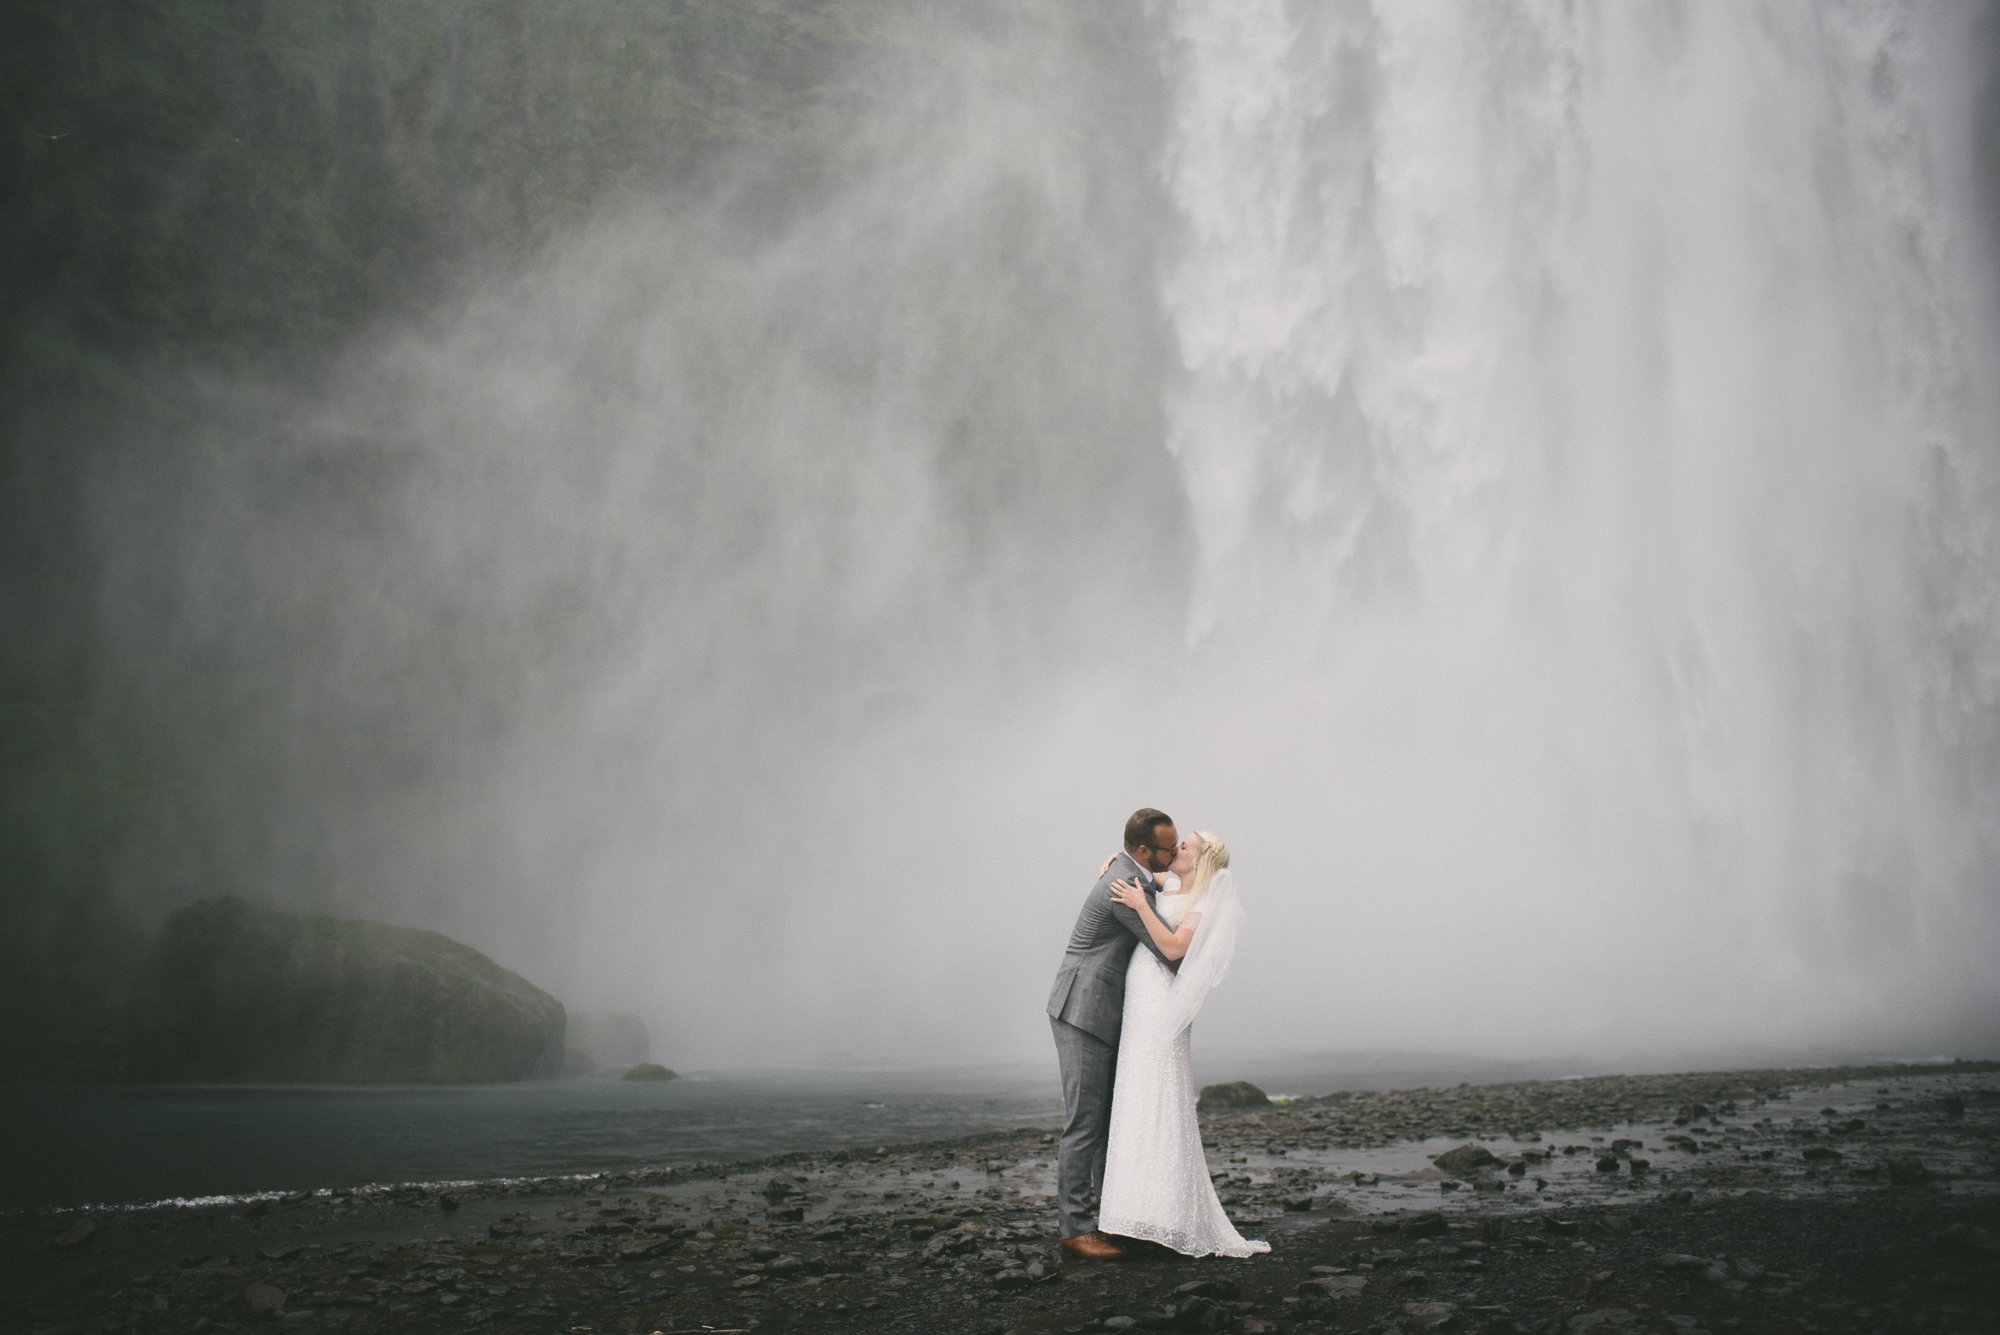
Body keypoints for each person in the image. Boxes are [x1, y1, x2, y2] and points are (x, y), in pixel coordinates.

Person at [1097, 829, 1266, 1257]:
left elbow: (1173, 949)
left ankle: (1164, 1216)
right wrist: (1110, 862)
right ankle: (1130, 1214)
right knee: (1136, 1093)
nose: (1177, 850)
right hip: (1141, 998)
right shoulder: (1170, 884)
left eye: (1185, 846)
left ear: (1201, 859)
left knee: (1159, 1095)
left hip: (1162, 1004)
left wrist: (1139, 907)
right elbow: (1135, 869)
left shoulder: (1205, 902)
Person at [1046, 807, 1182, 1260]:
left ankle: (1108, 1221)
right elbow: (1169, 952)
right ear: (1144, 850)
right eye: (1169, 847)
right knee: (1084, 1122)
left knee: (1102, 1119)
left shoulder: (1132, 872)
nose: (1176, 851)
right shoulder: (1127, 886)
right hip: (1082, 1007)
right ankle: (1075, 1229)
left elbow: (1164, 883)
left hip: (1097, 1008)